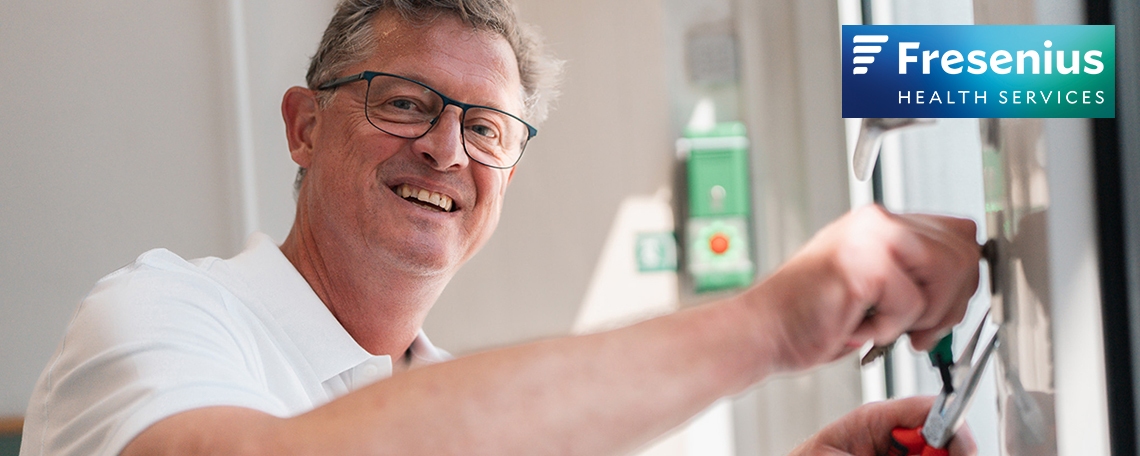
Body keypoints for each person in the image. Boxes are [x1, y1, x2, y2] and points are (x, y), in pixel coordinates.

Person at [21, 1, 981, 454]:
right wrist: (766, 326)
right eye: (405, 102)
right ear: (304, 126)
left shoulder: (451, 403)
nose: (447, 151)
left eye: (486, 129)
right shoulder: (161, 315)